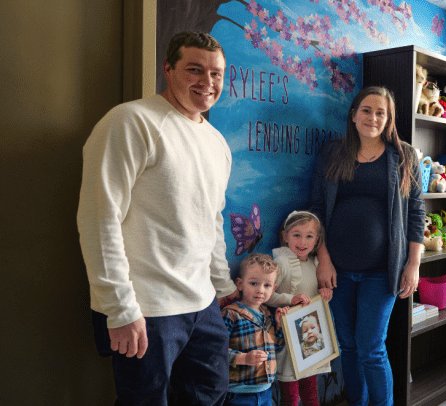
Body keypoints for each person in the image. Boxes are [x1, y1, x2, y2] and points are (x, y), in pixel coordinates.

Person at [77, 31, 240, 405]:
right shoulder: (131, 122)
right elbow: (99, 219)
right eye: (195, 69)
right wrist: (118, 308)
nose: (207, 82)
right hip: (147, 308)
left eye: (216, 73)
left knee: (211, 394)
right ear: (168, 69)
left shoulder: (216, 142)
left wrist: (220, 284)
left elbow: (211, 219)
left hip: (202, 305)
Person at [309, 86, 425, 406]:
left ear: (388, 120)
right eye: (366, 110)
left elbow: (416, 213)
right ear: (353, 114)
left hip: (381, 271)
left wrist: (413, 265)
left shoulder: (403, 156)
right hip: (339, 270)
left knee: (371, 347)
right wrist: (324, 259)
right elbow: (317, 209)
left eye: (380, 112)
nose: (372, 117)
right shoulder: (333, 152)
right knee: (348, 345)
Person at [266, 210, 333, 406]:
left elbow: (314, 301)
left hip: (310, 339)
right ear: (285, 236)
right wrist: (290, 299)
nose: (302, 242)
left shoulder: (315, 264)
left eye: (309, 236)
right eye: (296, 235)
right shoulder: (283, 263)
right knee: (291, 395)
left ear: (316, 240)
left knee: (311, 390)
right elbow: (268, 295)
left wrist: (325, 296)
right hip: (288, 339)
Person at [222, 253, 290, 406]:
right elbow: (216, 352)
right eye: (253, 283)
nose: (260, 290)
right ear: (240, 284)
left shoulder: (266, 313)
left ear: (273, 289)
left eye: (267, 285)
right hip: (238, 393)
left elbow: (277, 347)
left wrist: (279, 325)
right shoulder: (230, 314)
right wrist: (243, 358)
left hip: (266, 390)